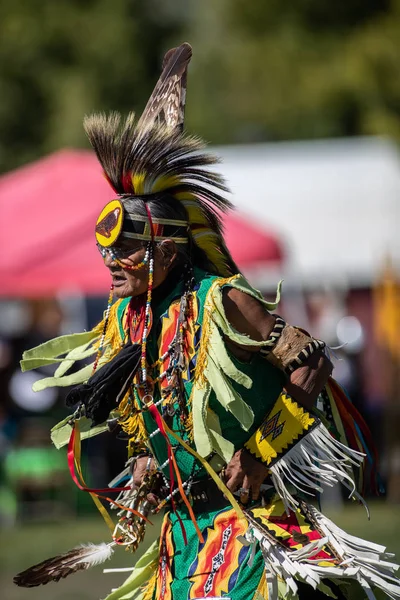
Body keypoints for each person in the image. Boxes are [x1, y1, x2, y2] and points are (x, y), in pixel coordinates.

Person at [15, 43, 400, 600]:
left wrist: (259, 452)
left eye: (126, 252)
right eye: (105, 254)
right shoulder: (127, 316)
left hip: (246, 531)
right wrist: (146, 467)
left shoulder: (222, 300)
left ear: (169, 252)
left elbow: (311, 363)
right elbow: (159, 409)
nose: (110, 266)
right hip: (181, 539)